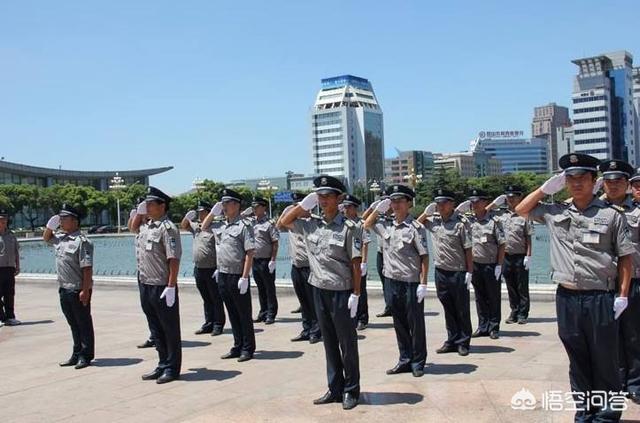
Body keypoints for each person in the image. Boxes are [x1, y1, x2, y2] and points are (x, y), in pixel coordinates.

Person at [516, 153, 634, 421]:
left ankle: (606, 416)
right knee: (577, 360)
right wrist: (545, 189)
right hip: (567, 297)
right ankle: (585, 412)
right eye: (570, 178)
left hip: (600, 297)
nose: (576, 183)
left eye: (583, 178)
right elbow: (521, 210)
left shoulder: (612, 215)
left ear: (595, 181)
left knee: (605, 360)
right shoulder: (554, 212)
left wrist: (623, 296)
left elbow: (626, 257)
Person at [279, 175, 363, 410]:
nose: (323, 200)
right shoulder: (310, 224)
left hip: (341, 291)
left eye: (328, 196)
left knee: (347, 343)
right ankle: (334, 388)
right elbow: (283, 222)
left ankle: (351, 390)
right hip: (319, 290)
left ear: (339, 199)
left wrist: (356, 294)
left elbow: (356, 264)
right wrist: (302, 206)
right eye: (320, 196)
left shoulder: (350, 227)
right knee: (329, 343)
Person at [364, 184, 429, 377]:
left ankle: (418, 361)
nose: (395, 204)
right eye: (392, 201)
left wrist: (424, 283)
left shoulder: (416, 227)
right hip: (391, 281)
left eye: (400, 200)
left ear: (409, 203)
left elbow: (424, 256)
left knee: (415, 324)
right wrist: (379, 208)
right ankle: (404, 359)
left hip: (410, 282)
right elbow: (366, 223)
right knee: (399, 322)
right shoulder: (386, 225)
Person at [130, 187, 183, 384]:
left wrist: (171, 285)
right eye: (146, 204)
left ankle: (172, 367)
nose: (147, 207)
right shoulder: (147, 227)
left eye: (151, 204)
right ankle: (162, 363)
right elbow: (133, 227)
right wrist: (140, 210)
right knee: (155, 328)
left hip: (162, 285)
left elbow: (174, 259)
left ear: (163, 206)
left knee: (169, 329)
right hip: (146, 283)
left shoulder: (167, 229)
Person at [599, 160, 640, 405]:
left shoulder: (636, 211)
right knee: (607, 337)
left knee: (633, 335)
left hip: (633, 280)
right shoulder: (595, 209)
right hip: (604, 283)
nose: (613, 186)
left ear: (626, 184)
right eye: (608, 181)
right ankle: (615, 381)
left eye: (618, 182)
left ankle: (634, 383)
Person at [202, 188, 256, 362]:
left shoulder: (244, 226)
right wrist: (213, 212)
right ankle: (237, 345)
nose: (224, 207)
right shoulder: (221, 225)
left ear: (236, 205)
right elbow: (204, 227)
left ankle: (248, 348)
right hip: (223, 275)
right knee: (232, 313)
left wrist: (245, 277)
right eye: (222, 204)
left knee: (243, 314)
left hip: (237, 275)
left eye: (226, 203)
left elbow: (249, 253)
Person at [418, 189, 473, 356]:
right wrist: (425, 213)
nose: (440, 206)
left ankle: (464, 341)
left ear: (452, 204)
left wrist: (469, 272)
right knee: (447, 307)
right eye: (438, 204)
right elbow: (416, 225)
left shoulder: (461, 224)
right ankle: (452, 339)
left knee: (461, 308)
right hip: (441, 272)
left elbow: (468, 250)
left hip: (458, 272)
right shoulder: (434, 222)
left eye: (443, 203)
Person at [43, 204, 94, 369]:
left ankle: (86, 355)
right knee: (73, 323)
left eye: (64, 219)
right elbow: (46, 237)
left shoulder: (82, 241)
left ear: (74, 221)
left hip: (78, 288)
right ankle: (76, 352)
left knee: (83, 323)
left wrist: (85, 290)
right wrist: (50, 226)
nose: (61, 222)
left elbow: (87, 268)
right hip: (64, 288)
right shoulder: (60, 238)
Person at [276, 192, 321, 344]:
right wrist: (290, 210)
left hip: (311, 267)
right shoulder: (293, 222)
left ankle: (316, 330)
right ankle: (306, 328)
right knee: (303, 301)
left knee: (313, 301)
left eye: (299, 206)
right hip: (296, 266)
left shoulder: (315, 222)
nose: (296, 209)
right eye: (295, 206)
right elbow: (279, 224)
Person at [486, 186, 533, 324]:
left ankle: (523, 313)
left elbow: (528, 237)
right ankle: (514, 310)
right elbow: (483, 212)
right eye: (508, 197)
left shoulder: (525, 214)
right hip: (505, 256)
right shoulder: (500, 215)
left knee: (522, 286)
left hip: (520, 255)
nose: (511, 199)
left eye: (513, 197)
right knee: (510, 286)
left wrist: (528, 256)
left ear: (520, 198)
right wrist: (495, 203)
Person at [465, 189, 505, 340]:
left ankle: (494, 327)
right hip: (475, 265)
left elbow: (502, 244)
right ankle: (483, 326)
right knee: (479, 297)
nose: (474, 205)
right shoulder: (468, 221)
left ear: (484, 202)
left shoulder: (494, 221)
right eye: (472, 202)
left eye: (477, 202)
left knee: (493, 297)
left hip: (491, 265)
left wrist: (499, 265)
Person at [181, 200, 225, 336]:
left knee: (215, 298)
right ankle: (209, 322)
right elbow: (184, 226)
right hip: (199, 268)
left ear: (209, 213)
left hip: (212, 269)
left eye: (202, 212)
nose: (200, 215)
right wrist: (187, 217)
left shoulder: (217, 226)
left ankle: (218, 324)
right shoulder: (197, 227)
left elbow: (221, 248)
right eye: (199, 213)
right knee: (206, 298)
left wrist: (219, 267)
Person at [247, 196, 279, 325]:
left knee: (269, 288)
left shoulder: (269, 224)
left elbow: (275, 243)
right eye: (253, 207)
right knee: (260, 288)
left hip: (266, 261)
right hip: (255, 260)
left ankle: (271, 313)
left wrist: (273, 260)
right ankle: (263, 312)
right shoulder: (251, 223)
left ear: (263, 207)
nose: (254, 209)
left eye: (256, 207)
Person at [128, 198, 155, 349]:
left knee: (157, 310)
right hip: (142, 273)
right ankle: (154, 335)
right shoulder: (141, 226)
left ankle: (159, 335)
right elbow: (132, 228)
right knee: (147, 307)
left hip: (154, 275)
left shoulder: (153, 226)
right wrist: (137, 215)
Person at [342, 195, 370, 331]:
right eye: (344, 207)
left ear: (354, 208)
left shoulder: (361, 224)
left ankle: (362, 319)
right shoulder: (341, 223)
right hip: (346, 264)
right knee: (348, 291)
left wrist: (364, 262)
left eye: (348, 207)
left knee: (360, 292)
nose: (345, 210)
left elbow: (365, 243)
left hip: (358, 263)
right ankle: (350, 317)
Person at [363, 196, 393, 317]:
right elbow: (364, 220)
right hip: (380, 253)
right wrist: (373, 208)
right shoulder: (378, 219)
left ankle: (394, 306)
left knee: (392, 282)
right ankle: (388, 307)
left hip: (392, 255)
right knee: (384, 282)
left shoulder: (396, 218)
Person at [0, 209, 21, 327]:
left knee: (9, 294)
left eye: (5, 219)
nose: (3, 221)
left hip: (9, 268)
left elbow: (16, 251)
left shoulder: (11, 235)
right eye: (1, 219)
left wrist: (17, 265)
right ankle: (1, 316)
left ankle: (10, 317)